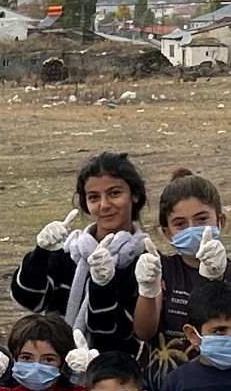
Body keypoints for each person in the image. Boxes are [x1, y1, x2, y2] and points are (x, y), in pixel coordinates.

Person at [133, 170, 231, 384]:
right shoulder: (162, 268)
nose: (193, 229)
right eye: (180, 224)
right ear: (167, 232)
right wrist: (147, 288)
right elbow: (144, 331)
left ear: (220, 221)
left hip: (223, 389)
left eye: (201, 219)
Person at [13, 152, 150, 360]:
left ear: (135, 195)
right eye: (94, 197)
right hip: (57, 373)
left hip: (112, 378)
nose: (104, 205)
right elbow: (31, 301)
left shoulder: (145, 260)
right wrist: (40, 254)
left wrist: (102, 283)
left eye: (114, 193)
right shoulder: (69, 251)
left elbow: (112, 331)